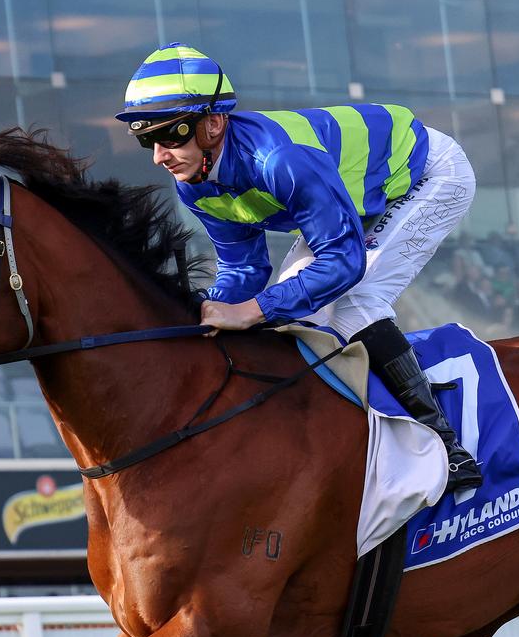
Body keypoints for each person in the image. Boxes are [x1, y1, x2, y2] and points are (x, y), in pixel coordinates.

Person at [115, 43, 481, 491]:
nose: (159, 155)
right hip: (348, 198)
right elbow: (242, 269)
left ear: (212, 123)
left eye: (172, 134)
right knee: (296, 316)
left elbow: (343, 262)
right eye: (147, 139)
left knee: (353, 300)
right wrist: (207, 312)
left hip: (424, 174)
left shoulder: (278, 160)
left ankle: (447, 446)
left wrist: (252, 311)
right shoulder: (195, 184)